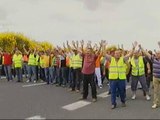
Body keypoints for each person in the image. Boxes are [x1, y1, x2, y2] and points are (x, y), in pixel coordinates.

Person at [104, 41, 137, 109]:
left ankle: (123, 101)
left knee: (122, 91)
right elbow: (104, 54)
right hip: (113, 79)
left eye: (119, 53)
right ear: (114, 54)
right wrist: (103, 46)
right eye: (116, 53)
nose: (117, 54)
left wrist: (133, 47)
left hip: (121, 79)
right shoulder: (111, 59)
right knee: (113, 92)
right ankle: (113, 104)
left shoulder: (123, 59)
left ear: (120, 54)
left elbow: (130, 54)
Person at [140, 42, 160, 109]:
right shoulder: (153, 59)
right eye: (156, 54)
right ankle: (156, 103)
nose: (157, 55)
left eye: (158, 54)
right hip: (155, 78)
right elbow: (146, 53)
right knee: (156, 91)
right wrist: (141, 48)